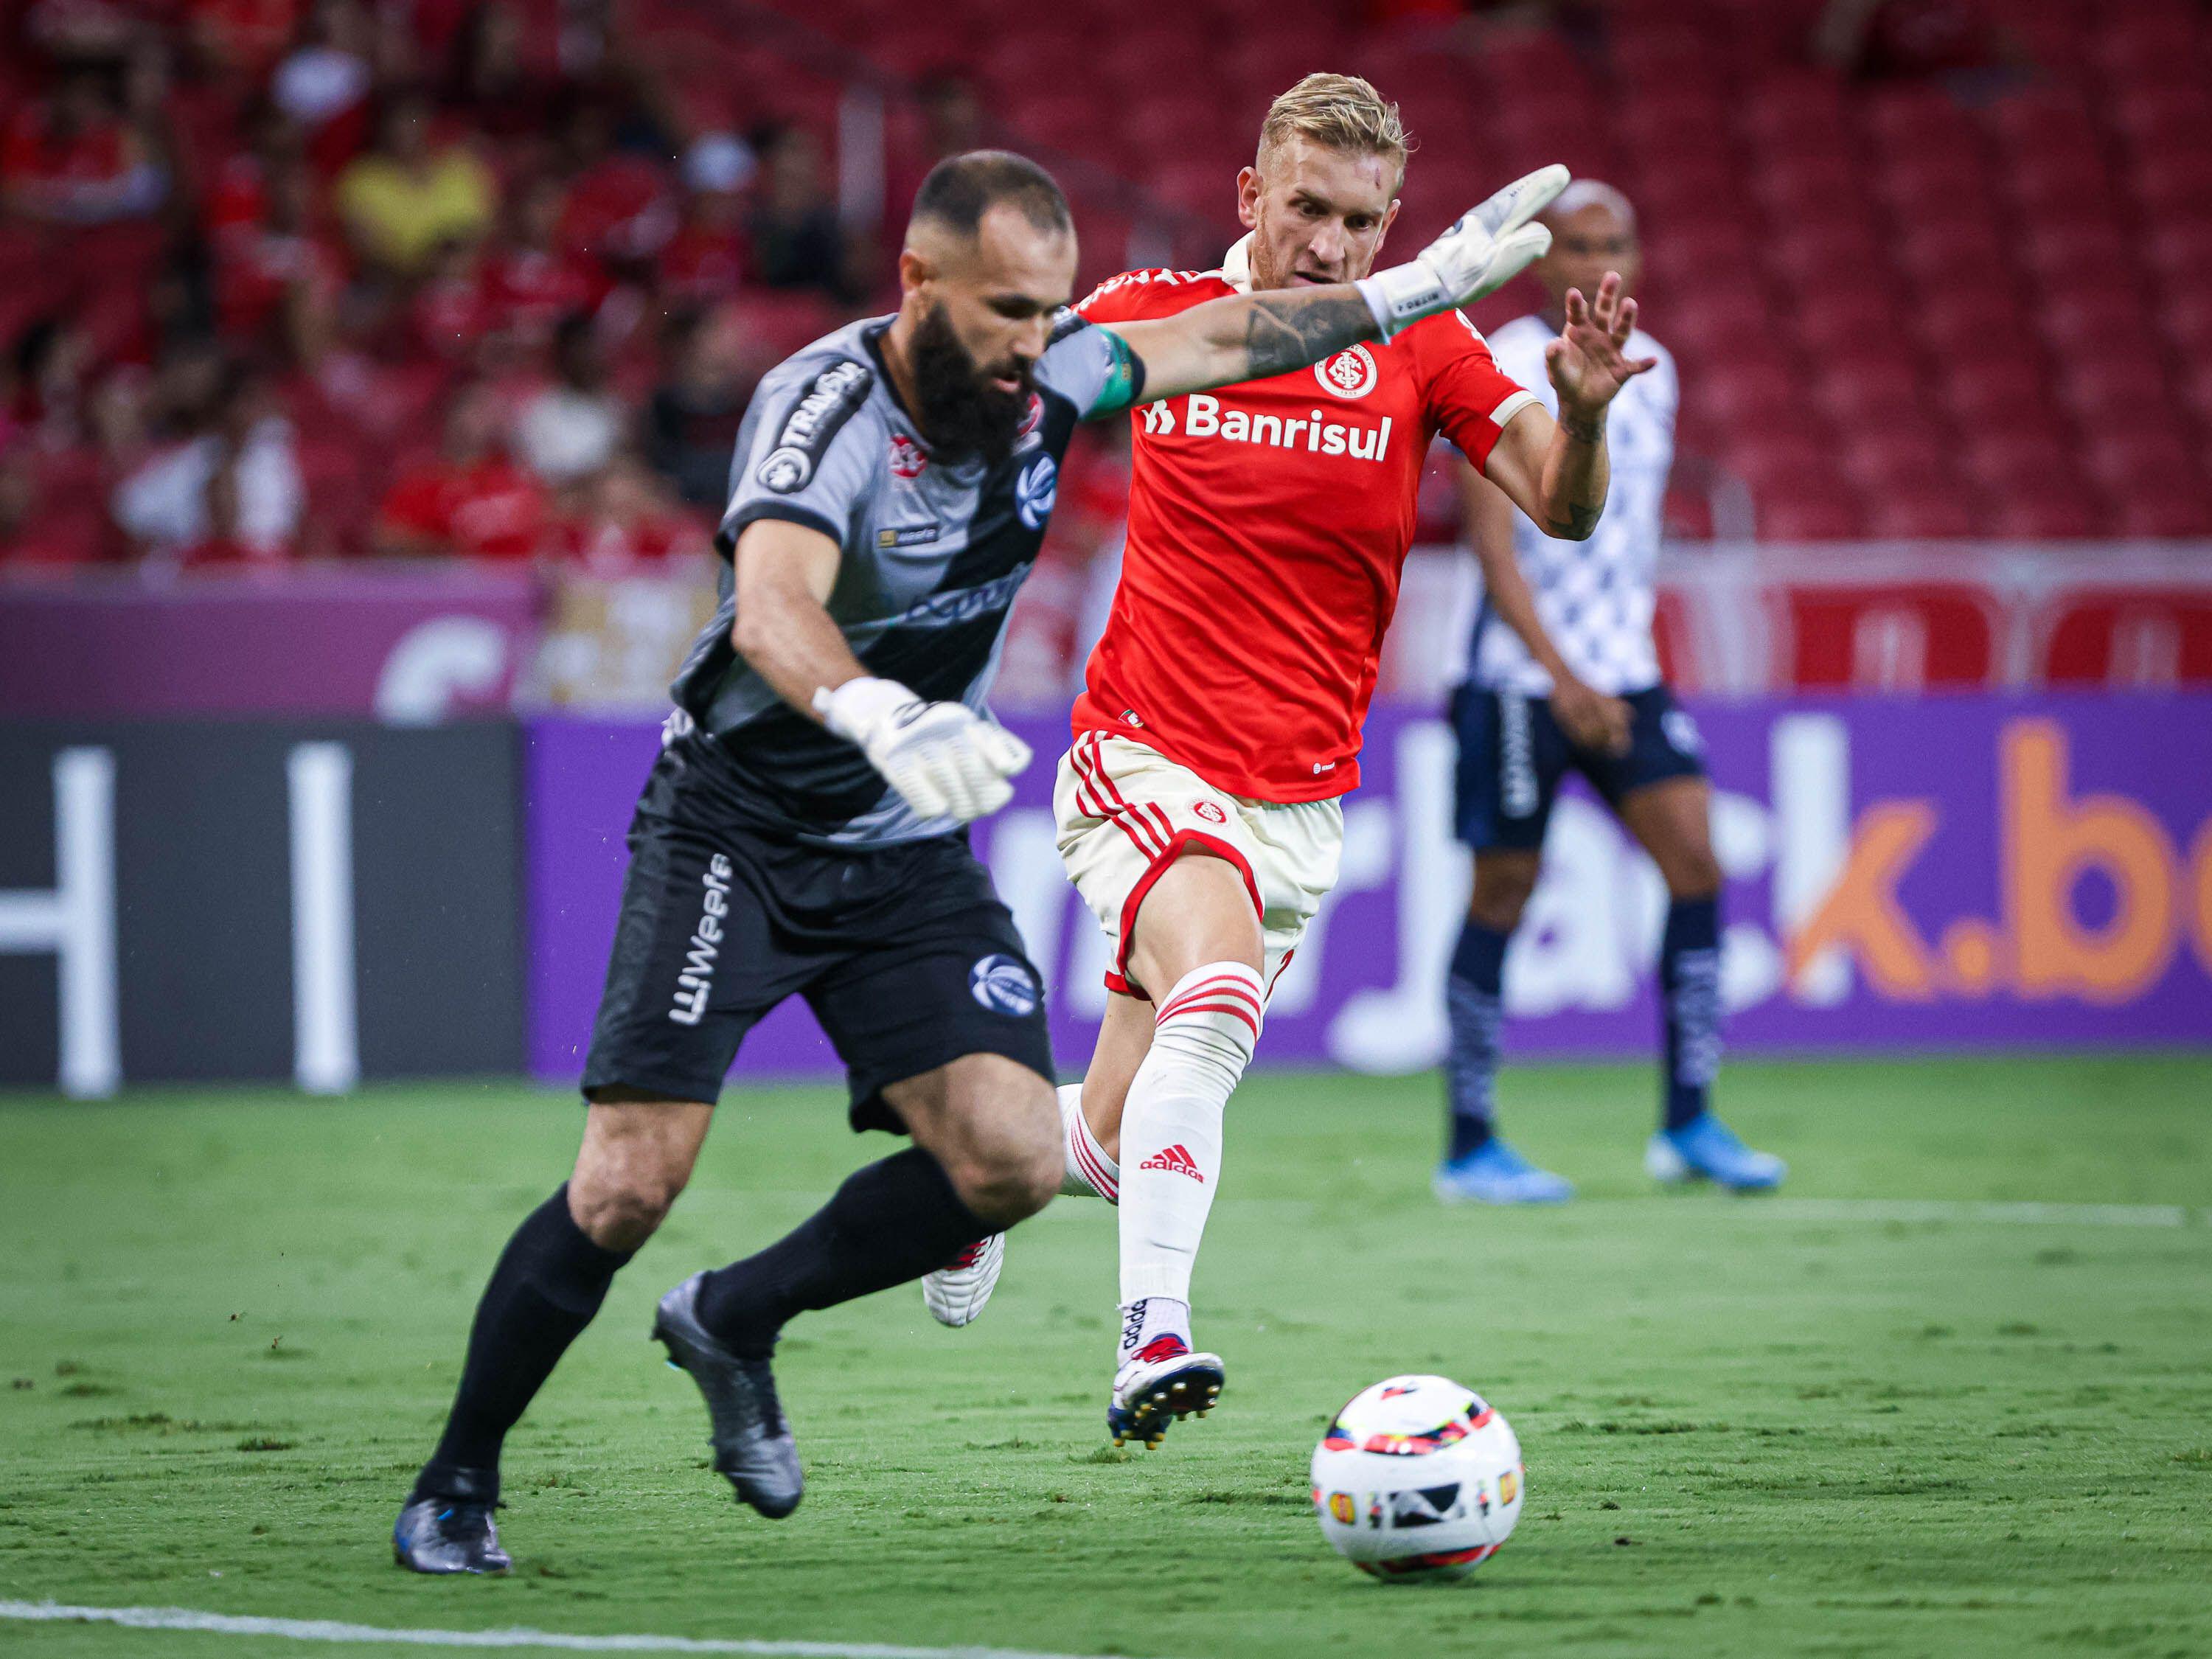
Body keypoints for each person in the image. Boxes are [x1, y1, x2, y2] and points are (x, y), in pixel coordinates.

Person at [391, 145, 1551, 1573]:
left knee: (1010, 1162)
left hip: (905, 838)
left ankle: (734, 1319)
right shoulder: (824, 409)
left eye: (1050, 309)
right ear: (917, 283)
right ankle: (458, 1480)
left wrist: (1421, 289)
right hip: (740, 826)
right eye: (1006, 310)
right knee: (631, 1180)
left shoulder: (1058, 367)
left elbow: (1228, 335)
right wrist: (874, 706)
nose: (1033, 345)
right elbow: (771, 608)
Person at [923, 75, 1646, 1451]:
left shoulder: (1425, 346)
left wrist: (1589, 410)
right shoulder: (1157, 316)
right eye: (1305, 208)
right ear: (1250, 196)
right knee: (1209, 984)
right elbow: (995, 404)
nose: (1331, 246)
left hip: (1298, 804)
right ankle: (1155, 1336)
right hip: (1141, 757)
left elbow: (1561, 505)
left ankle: (970, 1167)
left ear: (1392, 225)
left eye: (1362, 223)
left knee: (1116, 1134)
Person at [1434, 180, 1786, 1203]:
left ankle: (1688, 1123)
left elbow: (1622, 542)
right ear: (1545, 262)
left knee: (1698, 862)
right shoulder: (1501, 360)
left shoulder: (1655, 371)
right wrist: (1561, 676)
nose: (1596, 261)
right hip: (1516, 680)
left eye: (1613, 242)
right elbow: (1493, 547)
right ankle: (1469, 1144)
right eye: (1578, 244)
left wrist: (1605, 666)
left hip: (1625, 669)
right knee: (1501, 892)